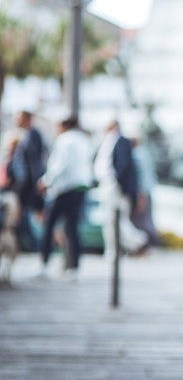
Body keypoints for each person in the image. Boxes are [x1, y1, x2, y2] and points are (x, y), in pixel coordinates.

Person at [37, 117, 93, 279]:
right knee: (72, 227)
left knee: (49, 225)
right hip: (81, 187)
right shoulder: (84, 140)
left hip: (64, 188)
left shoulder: (65, 140)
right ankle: (73, 266)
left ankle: (44, 262)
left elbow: (60, 164)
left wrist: (46, 181)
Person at [94, 120, 147, 258]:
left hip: (114, 187)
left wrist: (119, 185)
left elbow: (122, 168)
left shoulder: (120, 141)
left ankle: (137, 241)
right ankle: (116, 250)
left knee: (115, 219)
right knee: (110, 221)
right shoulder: (109, 141)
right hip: (109, 186)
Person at [8, 111, 46, 252]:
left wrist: (38, 183)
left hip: (29, 185)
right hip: (25, 184)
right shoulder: (26, 135)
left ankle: (42, 249)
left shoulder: (34, 135)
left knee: (38, 219)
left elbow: (35, 162)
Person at [130, 137, 160, 247]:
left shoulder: (138, 155)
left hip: (142, 193)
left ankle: (147, 246)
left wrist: (141, 196)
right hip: (146, 192)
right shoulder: (143, 153)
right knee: (145, 220)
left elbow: (143, 177)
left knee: (143, 221)